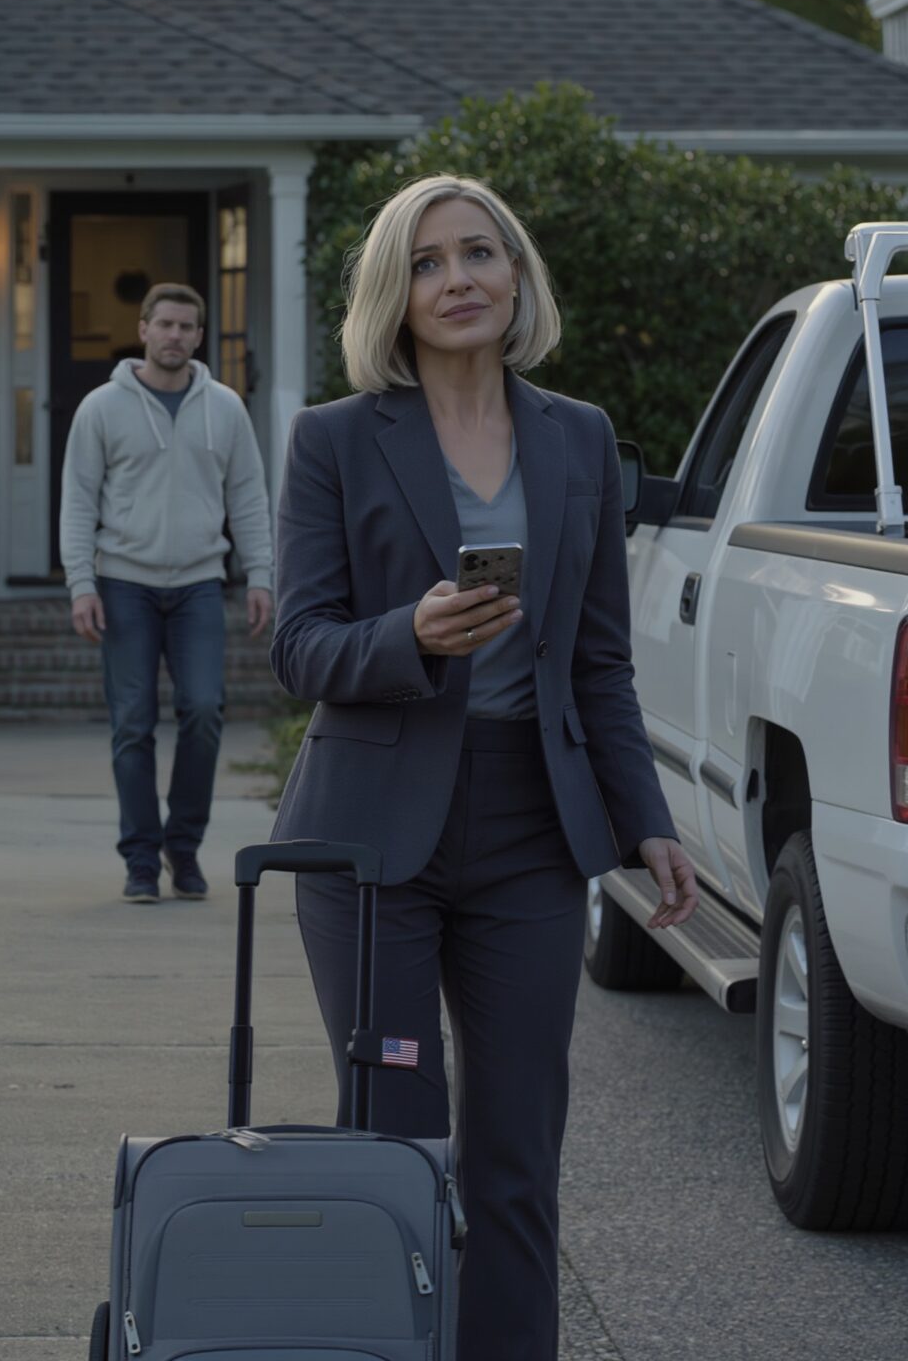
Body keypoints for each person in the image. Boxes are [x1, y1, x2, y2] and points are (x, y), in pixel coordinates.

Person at [270, 175, 698, 1361]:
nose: (456, 279)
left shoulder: (580, 436)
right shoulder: (334, 439)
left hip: (530, 833)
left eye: (478, 253)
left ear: (516, 274)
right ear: (393, 295)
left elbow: (598, 662)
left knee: (516, 1157)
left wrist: (648, 819)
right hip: (371, 839)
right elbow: (298, 647)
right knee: (397, 1151)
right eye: (426, 263)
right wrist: (408, 635)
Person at [60, 282, 274, 904]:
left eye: (186, 327)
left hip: (200, 584)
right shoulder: (101, 408)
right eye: (165, 324)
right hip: (124, 582)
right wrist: (81, 583)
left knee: (204, 711)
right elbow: (78, 501)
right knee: (132, 724)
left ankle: (183, 848)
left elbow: (249, 496)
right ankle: (139, 859)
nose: (175, 335)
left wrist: (260, 573)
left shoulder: (226, 408)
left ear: (199, 337)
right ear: (144, 330)